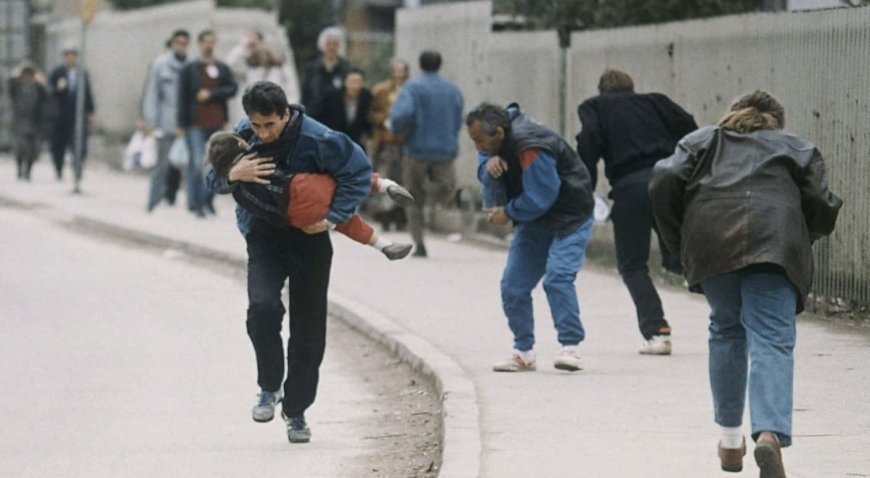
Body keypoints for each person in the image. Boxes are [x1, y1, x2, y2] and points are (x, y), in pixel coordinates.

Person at [649, 91, 842, 477]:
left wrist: (678, 238)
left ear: (732, 114)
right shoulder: (797, 148)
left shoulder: (701, 141)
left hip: (712, 241)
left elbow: (664, 178)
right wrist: (803, 236)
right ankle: (769, 434)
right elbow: (822, 203)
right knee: (771, 338)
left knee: (726, 331)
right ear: (776, 122)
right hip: (774, 244)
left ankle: (731, 441)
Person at [205, 81, 372, 444]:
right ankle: (269, 386)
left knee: (308, 332)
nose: (262, 134)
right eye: (256, 125)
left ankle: (296, 411)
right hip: (263, 236)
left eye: (270, 125)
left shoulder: (320, 139)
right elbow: (210, 178)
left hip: (310, 238)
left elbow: (358, 173)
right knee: (262, 308)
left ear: (285, 114)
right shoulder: (242, 136)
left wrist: (333, 217)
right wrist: (232, 175)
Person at [575, 68, 697, 355]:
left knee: (632, 264)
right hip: (669, 183)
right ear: (631, 87)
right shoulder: (656, 101)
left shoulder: (594, 106)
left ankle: (658, 331)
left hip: (631, 189)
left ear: (602, 89)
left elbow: (589, 143)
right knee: (680, 255)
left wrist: (587, 189)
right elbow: (691, 129)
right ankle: (732, 313)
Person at [467, 102, 595, 373]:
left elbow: (541, 196)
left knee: (558, 277)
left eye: (480, 141)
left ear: (499, 133)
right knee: (513, 286)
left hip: (570, 216)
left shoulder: (530, 146)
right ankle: (523, 352)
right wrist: (488, 167)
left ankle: (570, 347)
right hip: (534, 221)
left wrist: (508, 212)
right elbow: (485, 175)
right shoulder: (494, 144)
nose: (477, 147)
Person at [205, 131, 413, 260]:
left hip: (294, 215)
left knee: (347, 224)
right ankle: (384, 184)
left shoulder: (240, 192)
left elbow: (215, 182)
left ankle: (384, 245)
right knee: (340, 183)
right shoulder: (258, 151)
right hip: (300, 187)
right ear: (241, 144)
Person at [389, 50, 464, 257]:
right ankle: (433, 198)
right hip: (444, 149)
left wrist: (399, 130)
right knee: (447, 185)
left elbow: (401, 114)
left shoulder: (412, 87)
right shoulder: (452, 89)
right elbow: (458, 119)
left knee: (412, 196)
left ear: (420, 65)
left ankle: (419, 242)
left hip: (416, 149)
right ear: (440, 65)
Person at [178, 29, 238, 217]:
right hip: (195, 122)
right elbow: (182, 96)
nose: (209, 45)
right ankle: (196, 203)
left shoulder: (221, 67)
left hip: (216, 121)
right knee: (197, 163)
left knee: (217, 164)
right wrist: (180, 124)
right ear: (200, 43)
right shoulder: (190, 68)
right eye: (206, 41)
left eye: (212, 41)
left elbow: (232, 88)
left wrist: (212, 94)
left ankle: (207, 200)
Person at [142, 29, 189, 212]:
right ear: (172, 43)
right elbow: (152, 94)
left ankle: (189, 206)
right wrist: (151, 122)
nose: (181, 46)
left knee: (186, 166)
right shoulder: (160, 65)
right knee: (161, 166)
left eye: (185, 43)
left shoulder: (191, 65)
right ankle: (152, 202)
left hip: (186, 125)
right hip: (165, 123)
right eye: (178, 42)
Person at [368, 58, 410, 231]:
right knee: (386, 177)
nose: (399, 74)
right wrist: (383, 120)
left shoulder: (410, 91)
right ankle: (384, 214)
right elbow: (371, 113)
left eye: (402, 70)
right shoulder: (381, 91)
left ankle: (400, 215)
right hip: (385, 141)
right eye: (396, 70)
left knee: (403, 178)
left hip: (405, 141)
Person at [225, 31, 300, 125]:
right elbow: (227, 66)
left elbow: (292, 90)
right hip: (254, 116)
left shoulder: (280, 67)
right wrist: (242, 46)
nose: (257, 48)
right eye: (253, 46)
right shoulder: (248, 67)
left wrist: (289, 108)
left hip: (277, 115)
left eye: (258, 43)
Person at [47, 46, 95, 183]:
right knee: (58, 145)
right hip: (60, 115)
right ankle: (58, 169)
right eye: (67, 55)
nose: (70, 57)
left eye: (73, 55)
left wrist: (90, 111)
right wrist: (58, 88)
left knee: (79, 144)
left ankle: (77, 169)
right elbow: (49, 91)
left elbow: (87, 93)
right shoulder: (57, 72)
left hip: (77, 115)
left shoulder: (82, 73)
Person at [7, 61, 49, 181]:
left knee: (32, 150)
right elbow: (8, 86)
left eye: (30, 75)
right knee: (20, 147)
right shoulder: (17, 87)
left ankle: (28, 171)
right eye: (25, 74)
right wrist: (15, 74)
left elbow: (46, 97)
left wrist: (41, 83)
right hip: (19, 123)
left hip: (34, 123)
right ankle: (20, 168)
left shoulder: (38, 89)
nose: (27, 77)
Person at [300, 27, 350, 121]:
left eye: (335, 44)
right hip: (314, 115)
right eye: (328, 44)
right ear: (322, 45)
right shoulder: (311, 68)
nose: (331, 48)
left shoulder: (346, 68)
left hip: (337, 118)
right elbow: (305, 93)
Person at [320, 68, 372, 150]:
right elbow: (322, 117)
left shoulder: (367, 97)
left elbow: (369, 119)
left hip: (357, 143)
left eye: (359, 82)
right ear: (345, 82)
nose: (356, 86)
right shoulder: (332, 97)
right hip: (334, 141)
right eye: (353, 82)